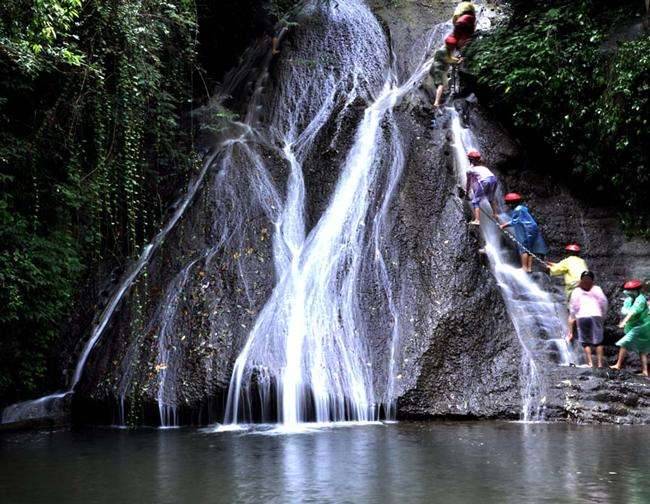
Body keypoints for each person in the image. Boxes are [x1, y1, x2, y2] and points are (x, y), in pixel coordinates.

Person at [499, 192, 548, 272]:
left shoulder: (517, 210)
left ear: (512, 203)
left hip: (525, 229)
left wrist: (503, 225)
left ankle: (524, 267)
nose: (508, 205)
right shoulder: (523, 208)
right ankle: (529, 268)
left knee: (523, 248)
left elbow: (514, 221)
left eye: (508, 203)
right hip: (533, 229)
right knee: (530, 248)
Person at [568, 271, 608, 368]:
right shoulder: (597, 289)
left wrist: (573, 316)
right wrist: (603, 315)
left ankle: (590, 363)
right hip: (596, 315)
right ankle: (599, 364)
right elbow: (603, 302)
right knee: (599, 342)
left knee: (585, 342)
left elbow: (574, 306)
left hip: (582, 316)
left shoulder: (576, 291)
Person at [610, 279, 650, 376]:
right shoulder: (628, 299)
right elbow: (625, 310)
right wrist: (623, 321)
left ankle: (618, 364)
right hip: (634, 326)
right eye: (628, 290)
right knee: (642, 349)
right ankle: (645, 371)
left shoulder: (641, 299)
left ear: (637, 290)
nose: (628, 292)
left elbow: (632, 312)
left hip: (642, 326)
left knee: (625, 343)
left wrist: (624, 322)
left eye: (631, 290)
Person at [464, 149, 498, 225]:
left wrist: (466, 193)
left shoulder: (470, 170)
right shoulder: (483, 167)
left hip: (485, 181)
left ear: (470, 160)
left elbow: (468, 183)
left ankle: (477, 220)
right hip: (494, 179)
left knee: (475, 201)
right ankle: (495, 214)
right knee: (491, 198)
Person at [431, 35, 461, 109]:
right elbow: (449, 59)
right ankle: (436, 102)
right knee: (440, 85)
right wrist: (458, 60)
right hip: (438, 69)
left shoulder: (445, 50)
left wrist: (456, 59)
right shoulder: (443, 51)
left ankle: (440, 99)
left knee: (444, 85)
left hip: (439, 69)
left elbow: (450, 58)